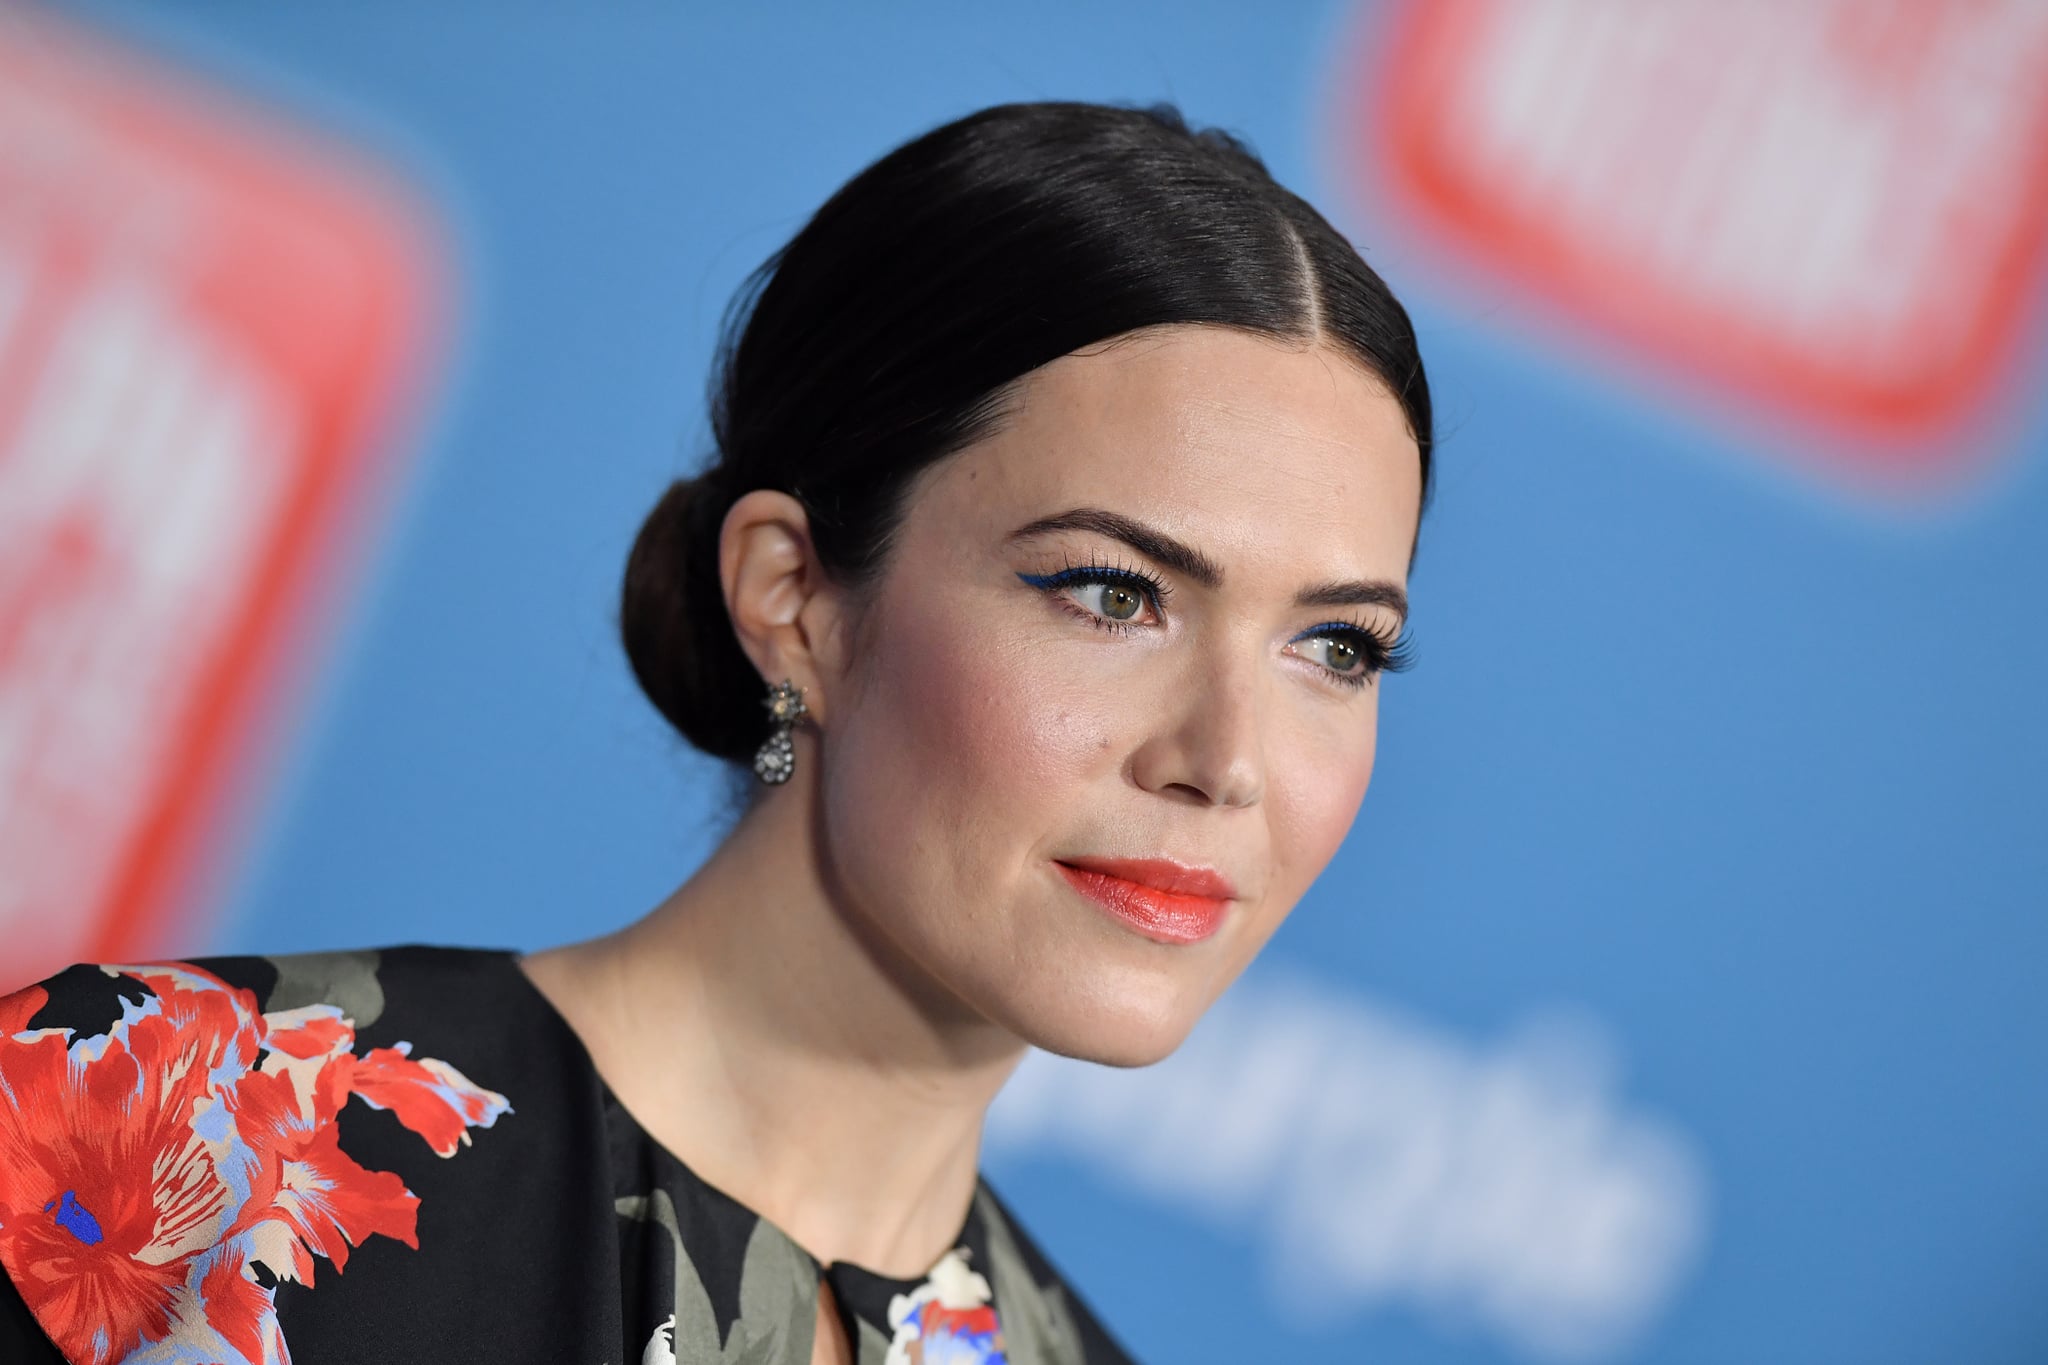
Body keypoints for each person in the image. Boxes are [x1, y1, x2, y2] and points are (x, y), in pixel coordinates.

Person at [0, 99, 1432, 1365]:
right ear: (794, 594)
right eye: (1115, 594)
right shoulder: (155, 1132)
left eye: (1336, 646)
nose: (1227, 756)